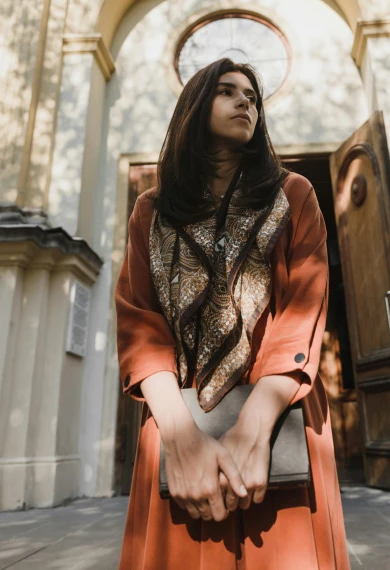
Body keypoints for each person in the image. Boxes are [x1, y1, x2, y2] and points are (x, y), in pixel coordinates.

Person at [115, 57, 351, 569]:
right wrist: (180, 438)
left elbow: (300, 314)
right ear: (195, 107)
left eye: (252, 95)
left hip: (282, 412)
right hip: (177, 417)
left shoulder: (294, 195)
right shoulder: (151, 212)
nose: (246, 102)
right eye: (227, 91)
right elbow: (139, 321)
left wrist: (251, 428)